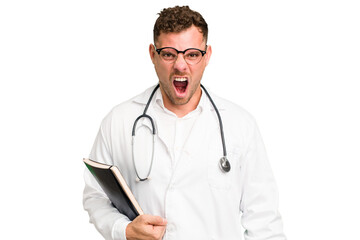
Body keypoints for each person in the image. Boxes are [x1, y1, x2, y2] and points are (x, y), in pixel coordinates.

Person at [83, 5, 286, 240]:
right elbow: (94, 195)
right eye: (169, 54)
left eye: (191, 54)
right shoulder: (119, 120)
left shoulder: (240, 125)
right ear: (153, 54)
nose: (180, 65)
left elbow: (264, 220)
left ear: (207, 55)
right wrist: (123, 229)